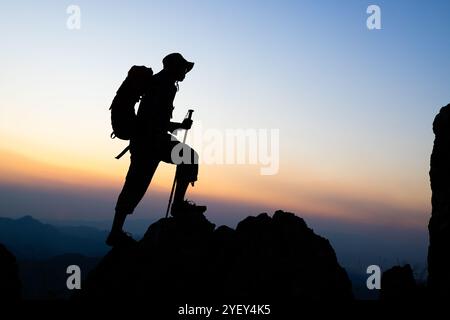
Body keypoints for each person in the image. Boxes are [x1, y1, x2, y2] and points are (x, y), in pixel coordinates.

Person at [106, 53, 206, 246]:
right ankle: (117, 231)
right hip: (149, 142)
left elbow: (155, 119)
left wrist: (178, 126)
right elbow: (153, 119)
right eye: (184, 68)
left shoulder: (163, 83)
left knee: (136, 183)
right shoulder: (164, 85)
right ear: (174, 67)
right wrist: (178, 125)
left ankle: (116, 231)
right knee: (137, 183)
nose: (186, 72)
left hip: (149, 140)